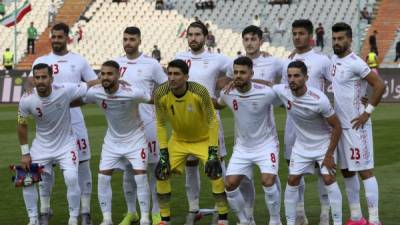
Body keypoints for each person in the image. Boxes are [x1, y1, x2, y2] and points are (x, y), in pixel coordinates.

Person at [28, 22, 98, 225]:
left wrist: (72, 103)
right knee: (44, 167)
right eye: (54, 36)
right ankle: (44, 210)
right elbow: (31, 86)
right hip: (49, 123)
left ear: (67, 38)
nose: (56, 40)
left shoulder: (79, 61)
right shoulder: (41, 61)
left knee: (83, 163)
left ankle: (85, 212)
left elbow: (92, 88)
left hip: (75, 119)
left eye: (60, 37)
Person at [154, 59, 229, 225]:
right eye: (170, 74)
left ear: (186, 76)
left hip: (202, 139)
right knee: (161, 172)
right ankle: (165, 219)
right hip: (179, 140)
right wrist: (164, 153)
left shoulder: (199, 91)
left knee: (214, 172)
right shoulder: (160, 93)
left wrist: (212, 153)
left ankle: (223, 217)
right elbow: (159, 124)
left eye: (177, 74)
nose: (172, 78)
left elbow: (212, 121)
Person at [175, 21, 232, 224]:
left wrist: (222, 92)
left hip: (209, 121)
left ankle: (220, 207)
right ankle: (193, 207)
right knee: (190, 165)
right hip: (185, 122)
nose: (193, 38)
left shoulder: (217, 59)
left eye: (198, 34)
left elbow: (236, 72)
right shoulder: (179, 58)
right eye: (190, 34)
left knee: (217, 163)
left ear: (206, 37)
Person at [81, 60, 152, 225]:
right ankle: (107, 219)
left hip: (135, 139)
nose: (105, 77)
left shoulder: (133, 92)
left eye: (109, 74)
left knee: (140, 178)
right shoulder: (95, 92)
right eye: (103, 74)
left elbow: (153, 99)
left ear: (118, 75)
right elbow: (76, 99)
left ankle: (145, 218)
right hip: (112, 142)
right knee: (103, 178)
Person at [273, 61, 343, 225]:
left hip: (323, 144)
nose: (292, 79)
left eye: (297, 76)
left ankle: (337, 222)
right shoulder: (283, 91)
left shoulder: (319, 100)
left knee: (328, 179)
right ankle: (291, 222)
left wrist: (329, 155)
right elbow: (268, 85)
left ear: (306, 77)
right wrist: (238, 82)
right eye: (289, 76)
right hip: (302, 146)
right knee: (292, 180)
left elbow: (337, 126)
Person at [331, 22, 385, 225]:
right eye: (334, 38)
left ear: (350, 39)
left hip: (356, 126)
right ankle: (356, 217)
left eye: (341, 38)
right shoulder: (333, 59)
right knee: (346, 170)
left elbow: (379, 85)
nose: (337, 42)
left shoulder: (356, 62)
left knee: (364, 171)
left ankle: (374, 219)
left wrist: (367, 112)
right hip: (339, 127)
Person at [217, 56, 282, 225]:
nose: (238, 75)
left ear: (251, 73)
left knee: (268, 181)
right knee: (230, 185)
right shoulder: (227, 93)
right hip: (243, 147)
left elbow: (287, 99)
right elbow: (218, 104)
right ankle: (245, 221)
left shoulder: (266, 92)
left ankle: (275, 220)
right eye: (236, 72)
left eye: (243, 72)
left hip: (266, 145)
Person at [281, 19, 333, 225]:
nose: (297, 37)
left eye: (301, 33)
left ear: (310, 36)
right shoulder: (287, 62)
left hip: (319, 125)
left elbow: (336, 84)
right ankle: (300, 213)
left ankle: (325, 214)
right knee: (294, 168)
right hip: (293, 123)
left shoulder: (322, 60)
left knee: (324, 170)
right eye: (294, 33)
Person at [114, 26, 167, 225]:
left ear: (139, 41)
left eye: (132, 39)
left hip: (148, 124)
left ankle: (154, 212)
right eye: (125, 39)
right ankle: (131, 212)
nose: (128, 42)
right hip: (126, 126)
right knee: (128, 170)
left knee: (153, 169)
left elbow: (165, 86)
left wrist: (154, 100)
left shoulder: (151, 64)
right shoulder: (116, 63)